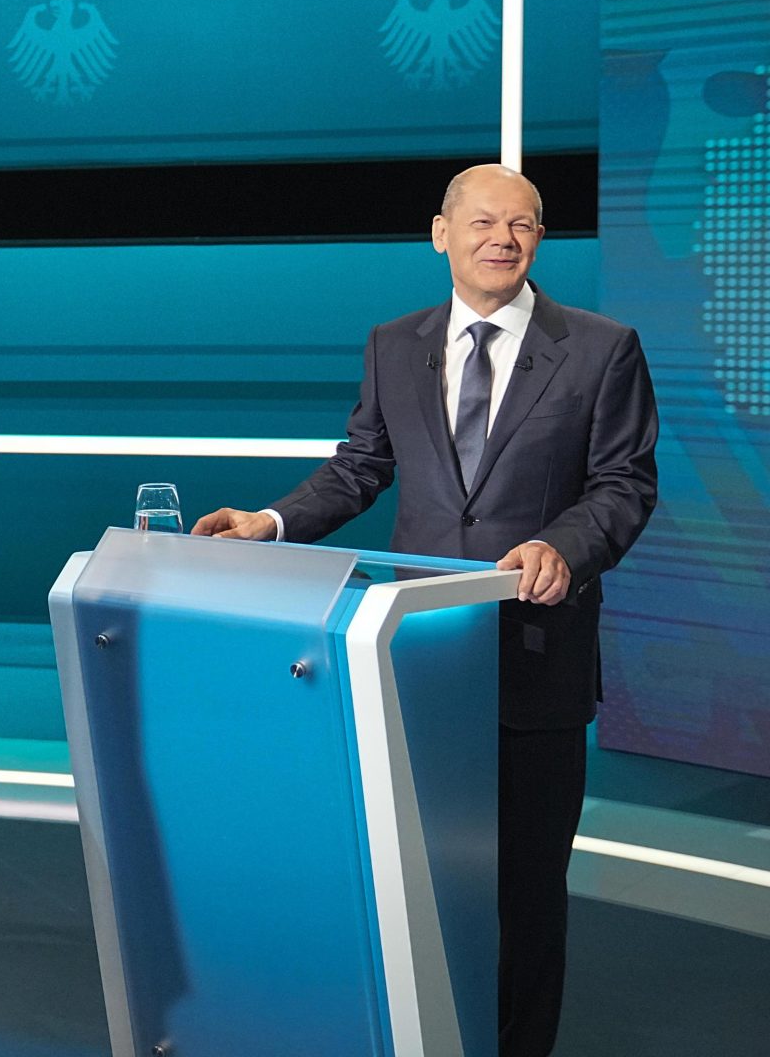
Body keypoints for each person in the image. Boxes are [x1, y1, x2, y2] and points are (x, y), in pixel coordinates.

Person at [192, 163, 658, 1057]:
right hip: (414, 663)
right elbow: (361, 466)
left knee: (525, 894)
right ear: (440, 233)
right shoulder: (394, 344)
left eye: (523, 225)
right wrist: (274, 520)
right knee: (418, 882)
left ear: (539, 240)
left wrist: (564, 547)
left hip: (533, 658)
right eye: (482, 222)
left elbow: (623, 484)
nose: (503, 239)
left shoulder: (603, 347)